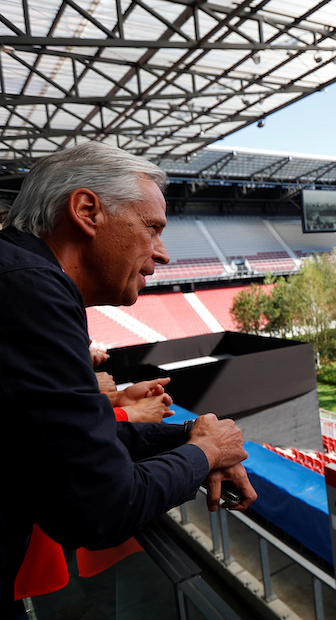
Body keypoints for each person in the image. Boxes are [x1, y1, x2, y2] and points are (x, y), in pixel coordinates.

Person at [0, 141, 257, 617]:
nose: (162, 254)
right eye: (153, 228)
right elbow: (101, 509)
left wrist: (186, 434)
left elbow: (65, 439)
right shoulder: (29, 287)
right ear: (86, 211)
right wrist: (206, 453)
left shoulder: (21, 275)